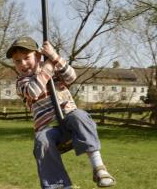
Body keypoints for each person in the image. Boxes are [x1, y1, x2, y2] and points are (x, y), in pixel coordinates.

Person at [6, 36, 116, 189]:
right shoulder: (22, 82)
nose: (23, 64)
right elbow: (33, 91)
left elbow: (72, 76)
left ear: (38, 56)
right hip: (49, 130)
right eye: (17, 61)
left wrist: (54, 57)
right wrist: (47, 69)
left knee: (80, 116)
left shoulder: (54, 66)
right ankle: (57, 185)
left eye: (26, 58)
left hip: (69, 120)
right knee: (41, 141)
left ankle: (98, 168)